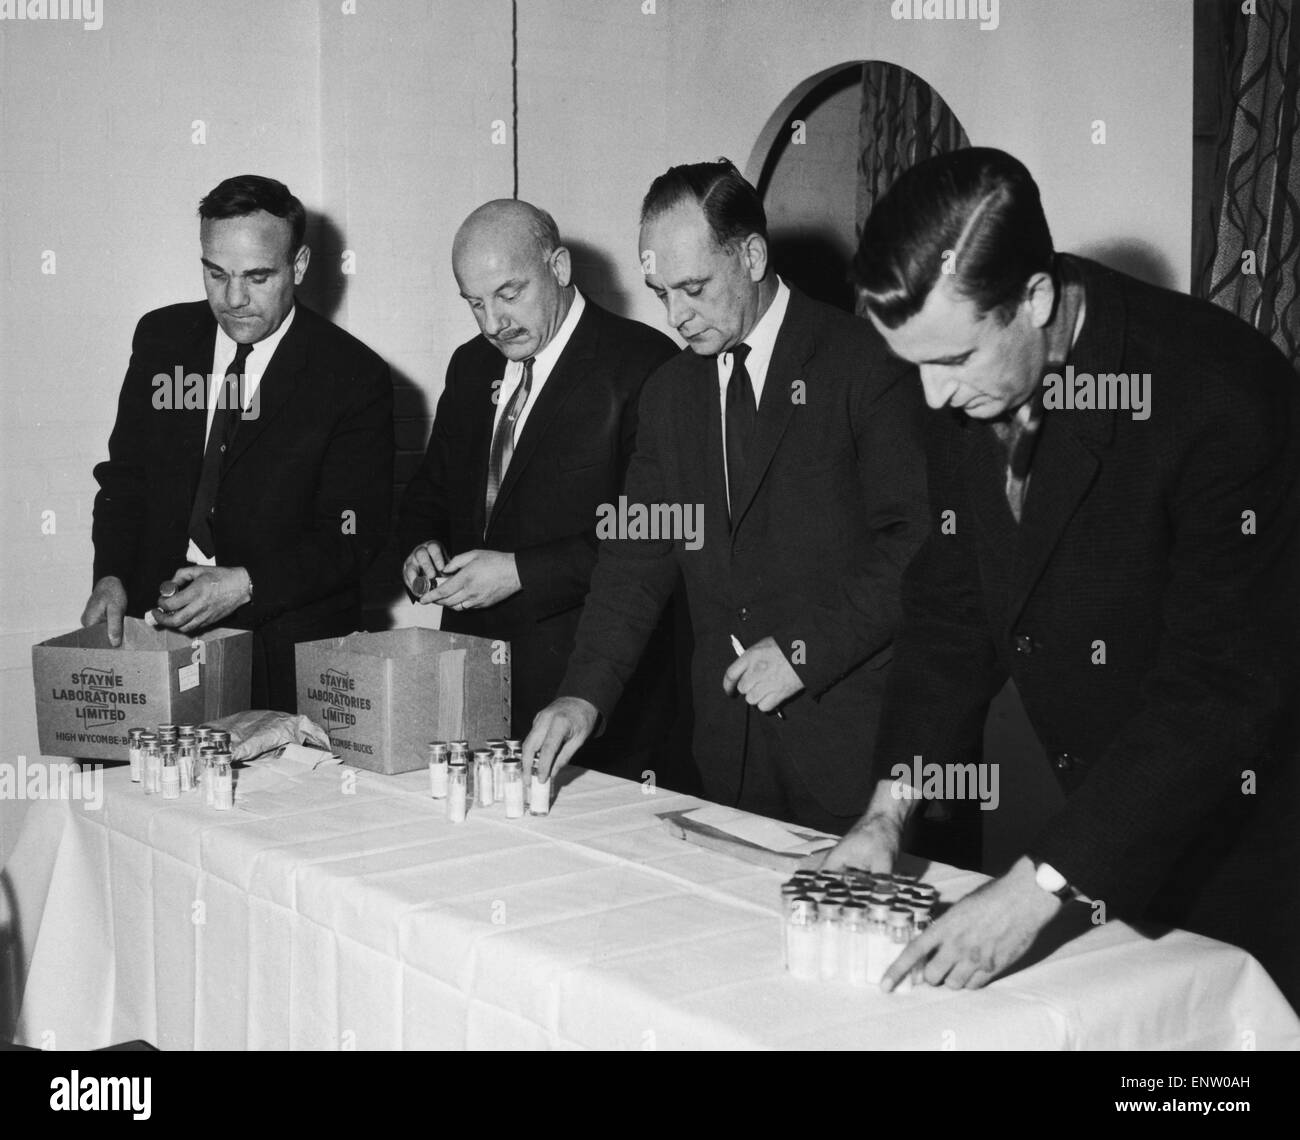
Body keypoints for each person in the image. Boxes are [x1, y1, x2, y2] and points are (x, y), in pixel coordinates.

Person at [821, 147, 1300, 1007]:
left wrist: (1035, 888)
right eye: (913, 366)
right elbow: (951, 613)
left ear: (1035, 300)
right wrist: (888, 809)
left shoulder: (1221, 393)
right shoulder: (967, 379)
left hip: (1254, 853)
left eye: (953, 360)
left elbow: (1216, 695)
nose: (930, 399)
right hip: (1107, 845)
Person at [523, 160, 929, 833]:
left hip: (855, 751)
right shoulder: (669, 394)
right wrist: (583, 694)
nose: (677, 317)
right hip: (727, 755)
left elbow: (917, 541)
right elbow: (634, 562)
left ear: (751, 254)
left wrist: (805, 651)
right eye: (660, 293)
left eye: (694, 288)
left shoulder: (864, 363)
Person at [84, 174, 395, 712]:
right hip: (156, 640)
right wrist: (110, 576)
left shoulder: (352, 375)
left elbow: (354, 536)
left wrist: (244, 585)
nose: (233, 299)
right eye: (216, 273)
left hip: (282, 657)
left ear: (297, 267)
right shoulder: (162, 340)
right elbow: (125, 477)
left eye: (257, 276)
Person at [396, 200, 681, 781]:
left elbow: (658, 537)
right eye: (475, 303)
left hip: (591, 694)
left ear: (559, 266)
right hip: (476, 685)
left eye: (509, 293)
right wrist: (420, 543)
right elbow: (429, 490)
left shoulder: (646, 365)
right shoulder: (471, 366)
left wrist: (522, 571)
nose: (493, 322)